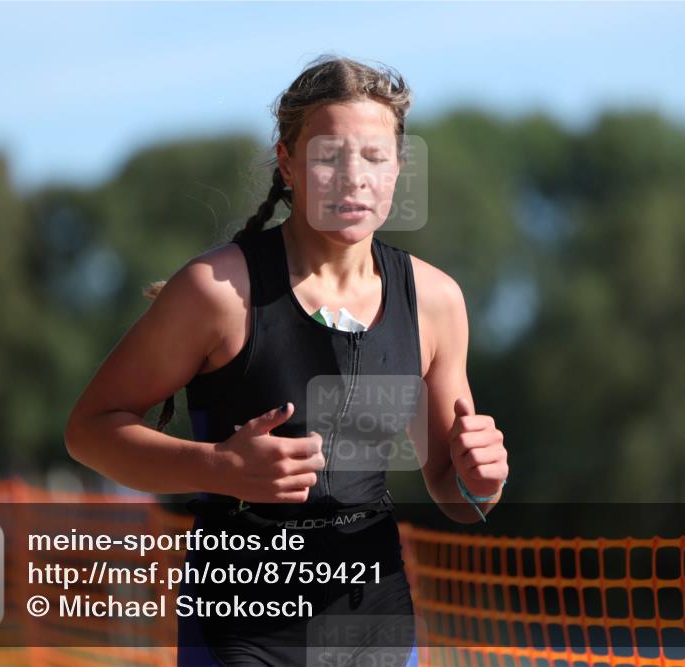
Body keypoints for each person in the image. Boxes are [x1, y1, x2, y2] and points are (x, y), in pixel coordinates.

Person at [65, 54, 509, 667]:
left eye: (375, 157)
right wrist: (219, 465)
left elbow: (454, 490)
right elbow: (89, 432)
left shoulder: (435, 300)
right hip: (242, 633)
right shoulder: (217, 292)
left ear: (399, 169)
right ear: (288, 163)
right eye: (329, 155)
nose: (353, 178)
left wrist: (480, 479)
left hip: (377, 627)